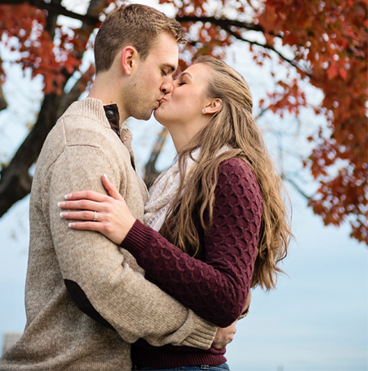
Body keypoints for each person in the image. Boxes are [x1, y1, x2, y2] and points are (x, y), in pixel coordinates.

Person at [0, 4, 231, 371]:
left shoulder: (111, 141)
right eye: (165, 70)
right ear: (129, 60)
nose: (169, 84)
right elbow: (98, 282)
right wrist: (198, 330)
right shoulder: (84, 144)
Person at [59, 55, 292, 370]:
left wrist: (132, 233)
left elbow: (228, 297)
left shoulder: (231, 172)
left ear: (212, 105)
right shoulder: (170, 182)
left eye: (183, 81)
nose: (167, 86)